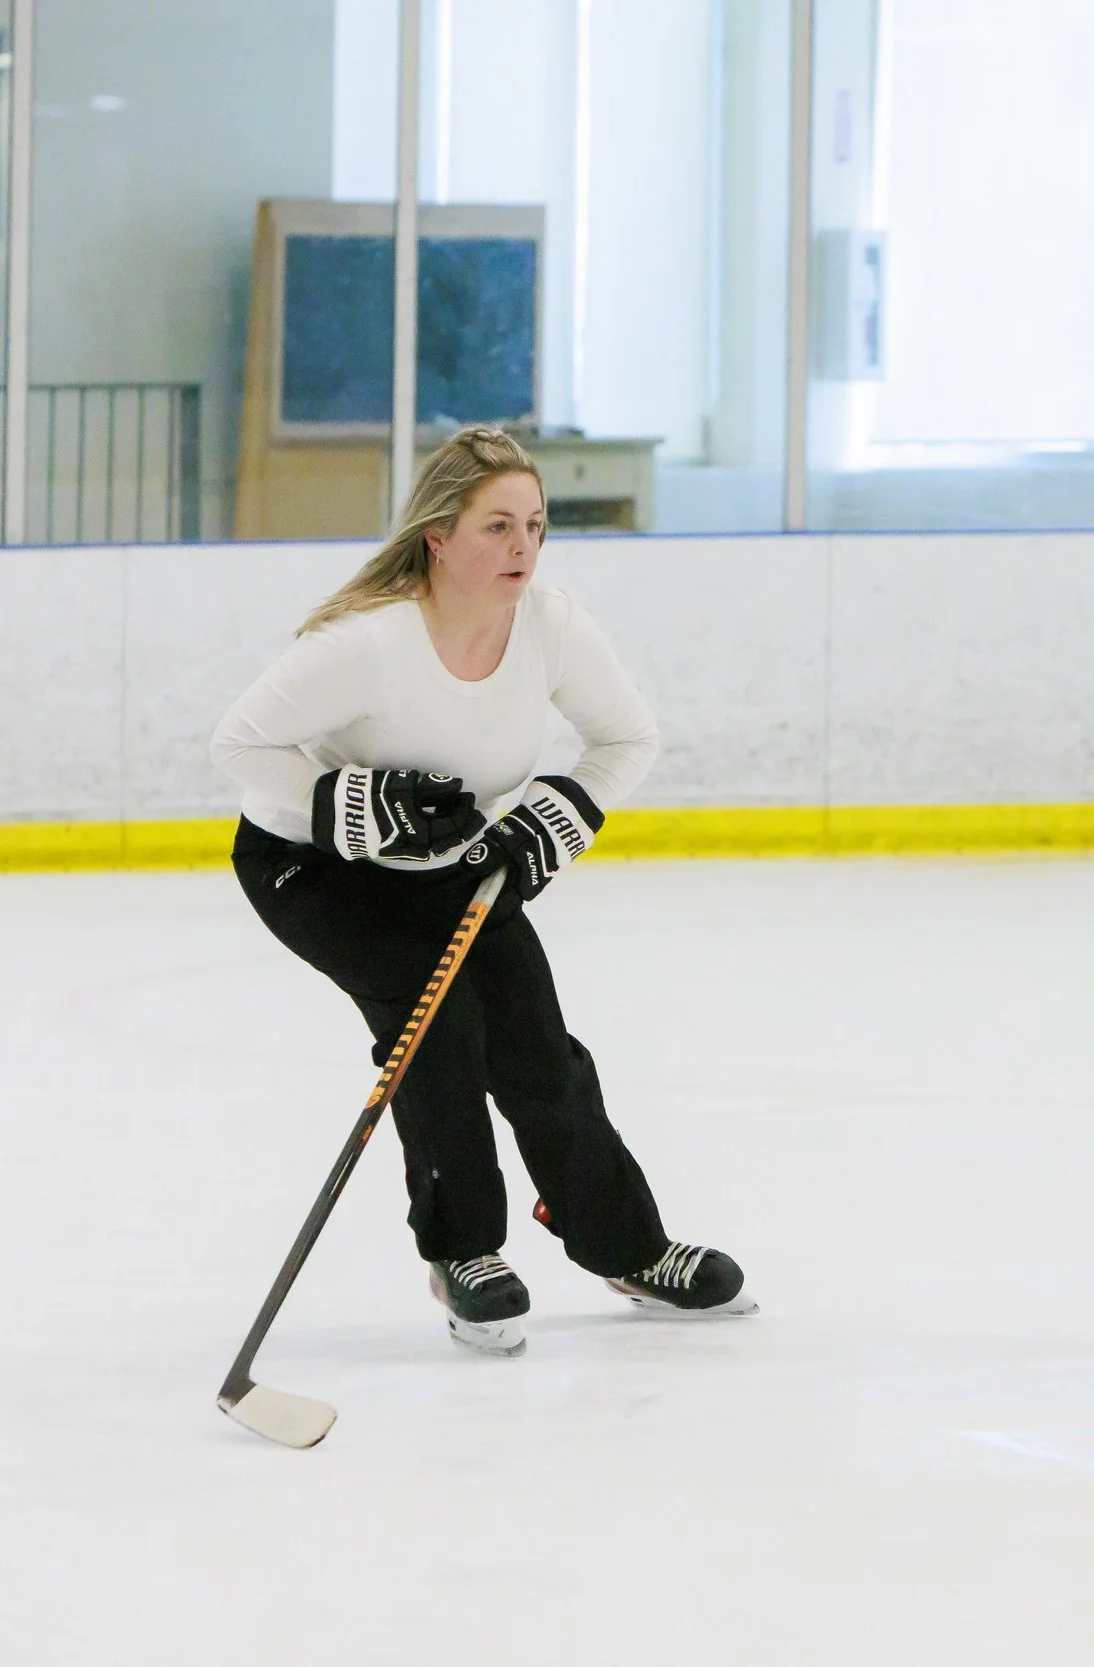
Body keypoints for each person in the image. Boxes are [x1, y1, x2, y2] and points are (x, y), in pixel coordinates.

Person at [211, 425, 752, 1356]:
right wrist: (353, 798)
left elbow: (628, 740)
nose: (523, 548)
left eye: (535, 526)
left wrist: (562, 809)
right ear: (439, 535)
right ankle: (464, 1250)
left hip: (451, 863)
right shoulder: (370, 642)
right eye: (497, 526)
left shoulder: (550, 626)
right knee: (439, 1027)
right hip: (316, 868)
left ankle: (628, 1245)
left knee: (537, 1043)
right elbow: (239, 745)